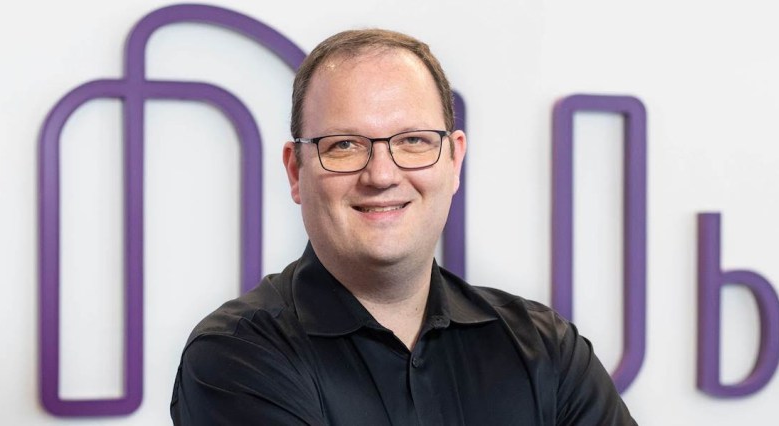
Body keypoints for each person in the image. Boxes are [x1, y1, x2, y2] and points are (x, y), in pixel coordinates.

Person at [170, 28, 636, 425]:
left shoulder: (545, 349)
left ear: (454, 160)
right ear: (296, 172)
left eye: (413, 141)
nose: (382, 175)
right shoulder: (235, 357)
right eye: (345, 145)